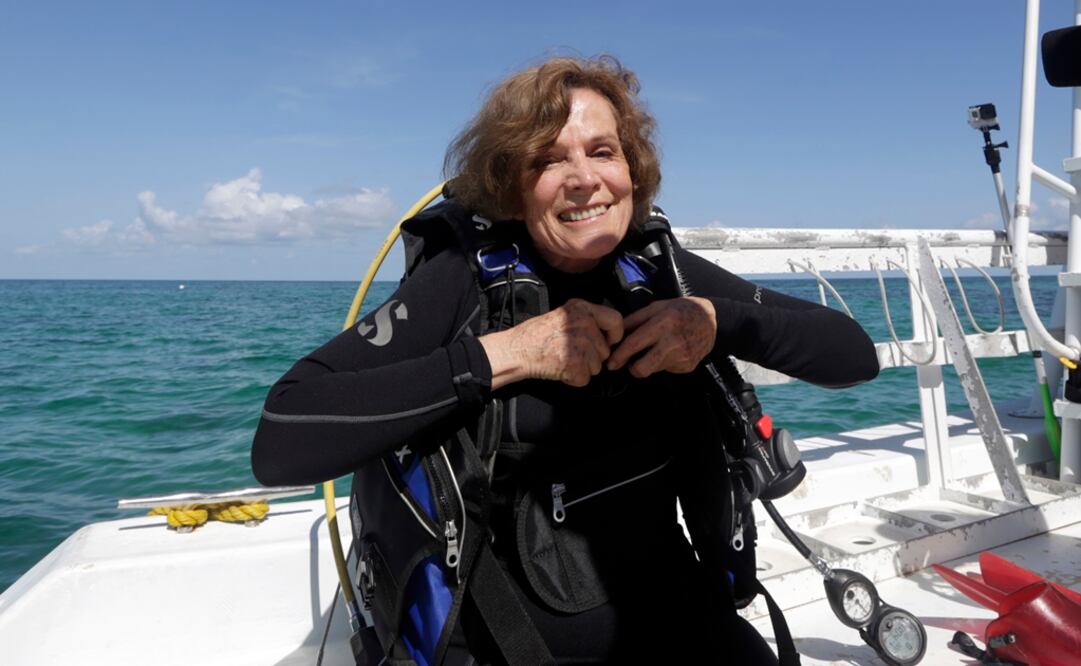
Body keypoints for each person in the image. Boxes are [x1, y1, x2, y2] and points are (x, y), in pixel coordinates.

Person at [251, 55, 879, 665]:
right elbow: (283, 436)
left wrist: (718, 321)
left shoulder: (660, 272)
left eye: (602, 151)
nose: (583, 178)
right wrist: (507, 355)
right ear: (512, 187)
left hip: (676, 614)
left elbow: (853, 355)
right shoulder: (465, 284)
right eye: (548, 160)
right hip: (512, 638)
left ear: (632, 168)